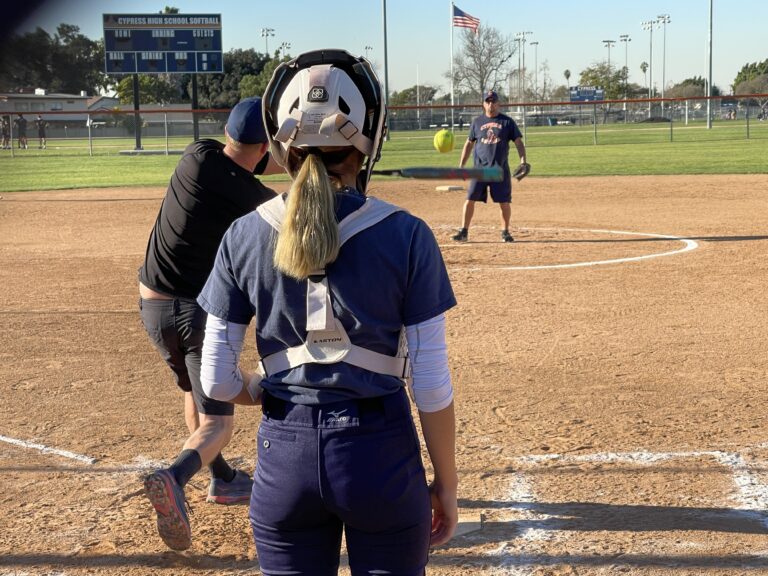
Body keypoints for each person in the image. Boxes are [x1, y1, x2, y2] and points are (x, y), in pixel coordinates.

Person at [197, 49, 458, 575]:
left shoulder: (244, 234)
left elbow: (216, 381)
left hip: (284, 453)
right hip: (379, 455)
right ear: (369, 137)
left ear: (280, 140)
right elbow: (430, 384)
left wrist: (260, 386)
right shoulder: (407, 234)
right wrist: (446, 484)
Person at [140, 97, 278, 551]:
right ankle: (174, 477)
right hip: (191, 312)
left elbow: (244, 164)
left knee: (191, 390)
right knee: (219, 419)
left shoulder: (196, 154)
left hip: (151, 309)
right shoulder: (251, 197)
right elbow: (280, 205)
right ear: (264, 147)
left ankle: (223, 479)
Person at [452, 90, 527, 243]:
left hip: (499, 170)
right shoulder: (477, 122)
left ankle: (505, 232)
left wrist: (523, 161)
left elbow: (518, 142)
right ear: (483, 104)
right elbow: (469, 144)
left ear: (498, 104)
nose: (490, 104)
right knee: (470, 199)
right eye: (488, 101)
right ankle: (464, 231)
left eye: (493, 101)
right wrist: (461, 165)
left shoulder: (507, 122)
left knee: (504, 202)